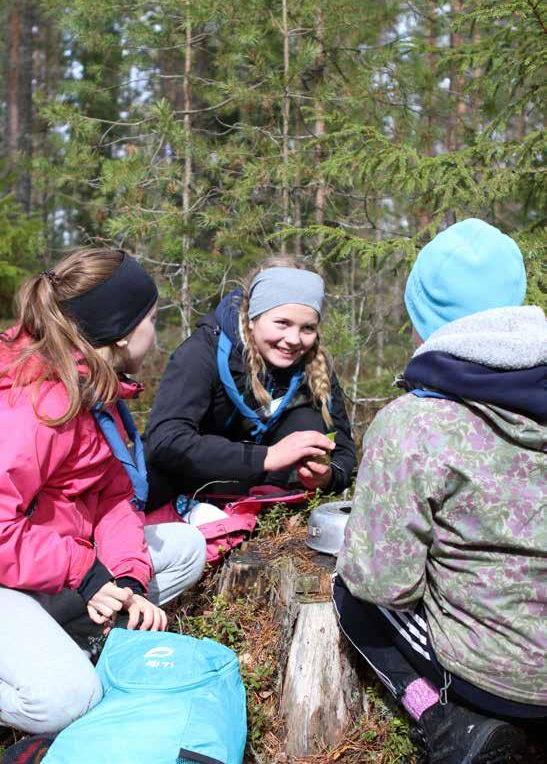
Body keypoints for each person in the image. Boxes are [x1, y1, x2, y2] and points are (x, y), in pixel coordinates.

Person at [335, 219, 546, 763]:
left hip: (501, 681)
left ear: (424, 318)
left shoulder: (415, 424)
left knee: (350, 593)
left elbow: (384, 582)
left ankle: (447, 724)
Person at [0, 249, 206, 740]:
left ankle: (73, 636)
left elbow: (112, 497)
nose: (158, 330)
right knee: (70, 702)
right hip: (11, 575)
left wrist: (128, 579)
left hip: (43, 569)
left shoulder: (95, 386)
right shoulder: (34, 407)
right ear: (121, 334)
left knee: (187, 548)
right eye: (153, 319)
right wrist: (85, 573)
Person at [144, 257, 356, 511]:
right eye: (282, 323)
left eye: (308, 328)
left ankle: (273, 510)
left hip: (265, 498)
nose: (293, 339)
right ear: (252, 317)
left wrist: (326, 477)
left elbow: (344, 453)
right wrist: (267, 457)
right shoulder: (202, 353)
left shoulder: (313, 363)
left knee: (307, 422)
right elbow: (166, 442)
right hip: (188, 492)